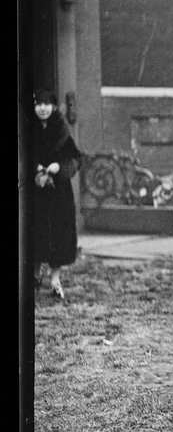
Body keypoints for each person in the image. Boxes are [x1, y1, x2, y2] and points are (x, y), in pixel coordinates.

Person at [33, 88, 82, 301]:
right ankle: (34, 277)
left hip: (59, 191)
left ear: (53, 107)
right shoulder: (28, 128)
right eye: (38, 104)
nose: (42, 108)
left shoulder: (61, 130)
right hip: (34, 191)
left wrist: (58, 167)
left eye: (46, 104)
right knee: (35, 232)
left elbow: (75, 159)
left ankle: (55, 280)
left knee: (59, 235)